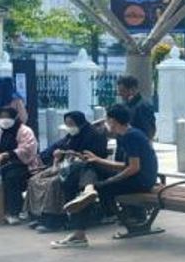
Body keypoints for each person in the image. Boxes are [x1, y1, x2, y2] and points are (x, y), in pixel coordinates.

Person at [52, 104, 159, 249]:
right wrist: (98, 160)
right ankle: (88, 190)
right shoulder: (125, 135)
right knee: (89, 164)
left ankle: (79, 233)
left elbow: (134, 168)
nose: (105, 123)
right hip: (136, 177)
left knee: (95, 188)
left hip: (142, 181)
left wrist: (111, 180)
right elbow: (125, 165)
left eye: (107, 119)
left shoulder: (131, 136)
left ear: (113, 121)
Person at [25, 111, 109, 233]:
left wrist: (74, 154)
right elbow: (58, 145)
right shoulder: (72, 136)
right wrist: (44, 156)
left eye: (71, 123)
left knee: (54, 183)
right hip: (66, 166)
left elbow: (94, 156)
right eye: (67, 124)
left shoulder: (93, 135)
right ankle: (39, 216)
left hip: (87, 169)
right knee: (35, 180)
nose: (69, 126)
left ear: (79, 122)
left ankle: (54, 221)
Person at [0, 106, 42, 224]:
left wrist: (8, 154)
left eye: (7, 117)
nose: (4, 120)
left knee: (11, 177)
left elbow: (28, 149)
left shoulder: (24, 131)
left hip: (23, 164)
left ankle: (13, 212)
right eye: (1, 117)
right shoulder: (0, 130)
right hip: (3, 163)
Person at [117, 75, 157, 139]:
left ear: (132, 89)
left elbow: (149, 131)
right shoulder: (124, 106)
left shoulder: (143, 107)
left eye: (122, 91)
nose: (119, 94)